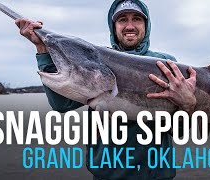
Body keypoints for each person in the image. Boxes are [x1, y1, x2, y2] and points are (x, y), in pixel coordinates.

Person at [15, 0, 196, 179]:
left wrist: (188, 105)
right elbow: (61, 105)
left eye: (137, 19)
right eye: (122, 19)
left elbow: (180, 132)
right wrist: (42, 50)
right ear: (113, 26)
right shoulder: (94, 62)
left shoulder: (167, 64)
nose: (130, 26)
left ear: (147, 25)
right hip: (107, 175)